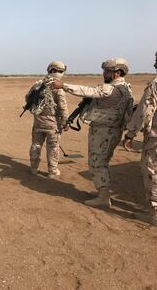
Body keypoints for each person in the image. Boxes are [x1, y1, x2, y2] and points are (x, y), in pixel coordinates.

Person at [49, 58, 133, 207]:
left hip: (104, 131)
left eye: (107, 71)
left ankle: (103, 197)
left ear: (117, 73)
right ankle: (103, 191)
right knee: (103, 162)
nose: (104, 74)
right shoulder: (126, 88)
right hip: (113, 130)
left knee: (97, 163)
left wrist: (63, 85)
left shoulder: (112, 88)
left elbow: (90, 91)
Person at [123, 52, 157, 225]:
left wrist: (130, 134)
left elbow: (144, 111)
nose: (154, 64)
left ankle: (154, 213)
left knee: (152, 173)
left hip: (155, 139)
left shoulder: (156, 84)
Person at [26, 61, 69, 179]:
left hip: (38, 122)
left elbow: (28, 99)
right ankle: (52, 171)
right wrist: (66, 122)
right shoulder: (58, 87)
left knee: (36, 145)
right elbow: (63, 107)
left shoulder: (38, 85)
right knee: (53, 148)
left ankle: (33, 168)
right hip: (53, 125)